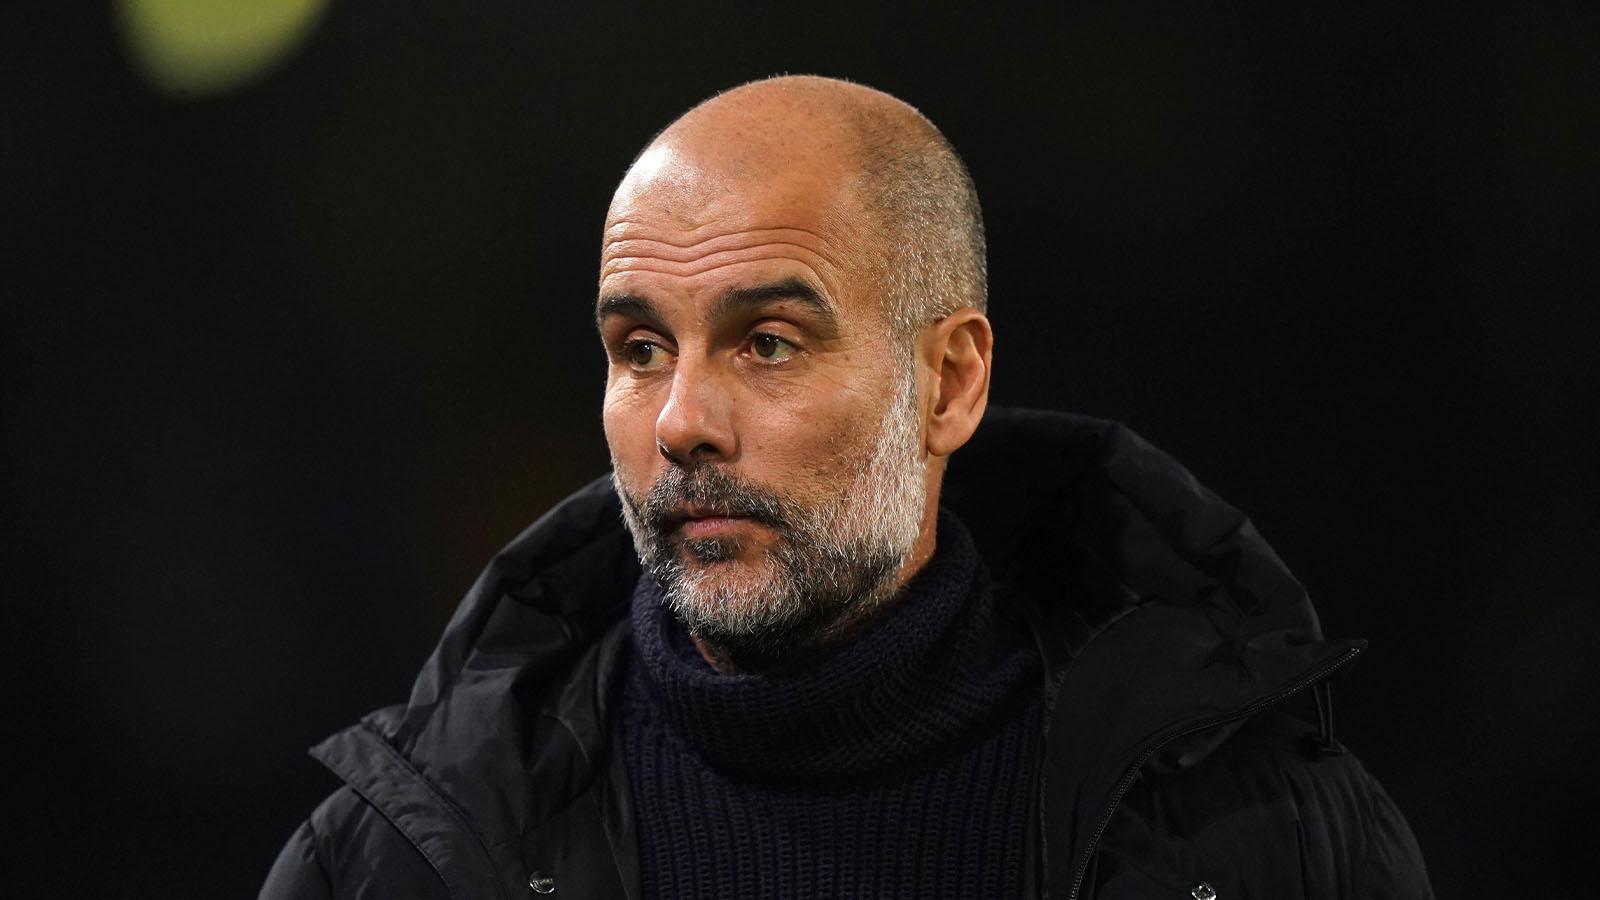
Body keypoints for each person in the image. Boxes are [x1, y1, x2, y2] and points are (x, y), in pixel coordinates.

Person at [261, 76, 1433, 899]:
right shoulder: (392, 859)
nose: (681, 425)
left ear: (949, 381)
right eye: (639, 351)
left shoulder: (1272, 836)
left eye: (767, 341)